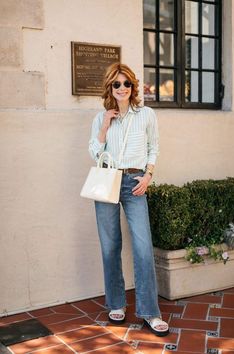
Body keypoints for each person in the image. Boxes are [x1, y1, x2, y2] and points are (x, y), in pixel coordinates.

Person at [88, 63, 169, 337]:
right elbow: (94, 151)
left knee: (143, 247)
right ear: (110, 88)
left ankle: (150, 312)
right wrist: (106, 126)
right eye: (117, 84)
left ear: (133, 87)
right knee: (110, 246)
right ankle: (117, 304)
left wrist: (148, 176)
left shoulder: (146, 115)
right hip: (108, 181)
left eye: (127, 84)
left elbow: (153, 147)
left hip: (135, 182)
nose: (122, 89)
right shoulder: (101, 118)